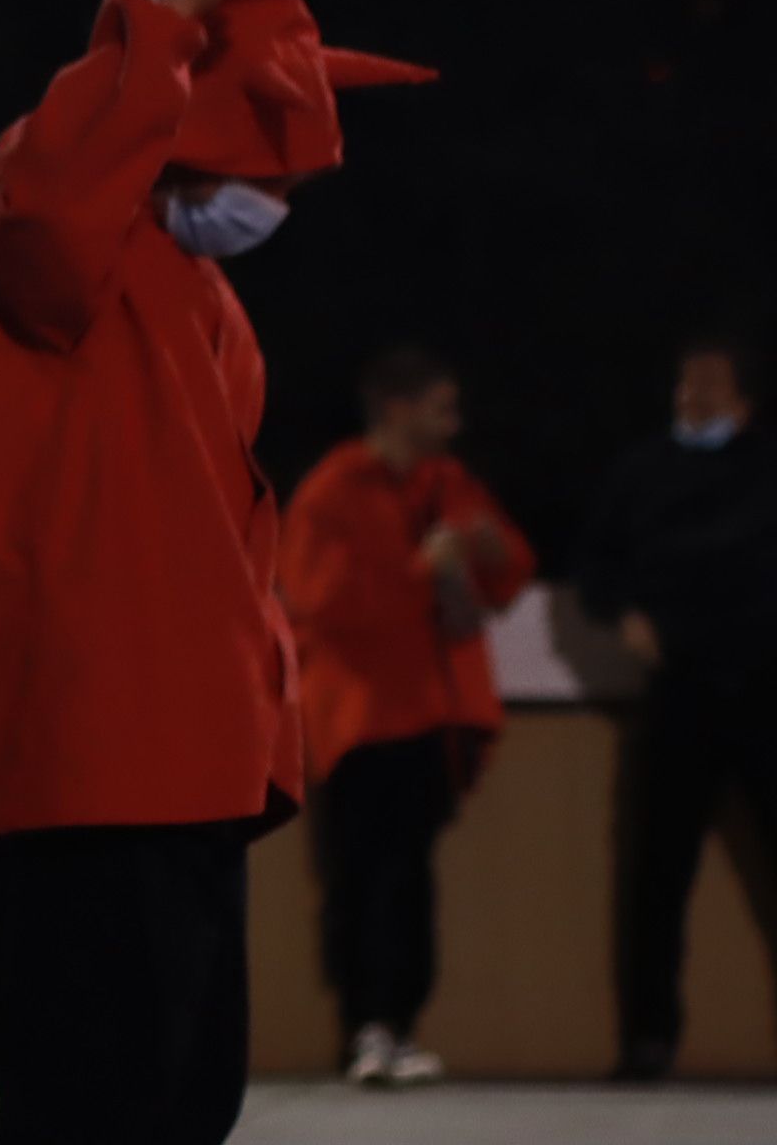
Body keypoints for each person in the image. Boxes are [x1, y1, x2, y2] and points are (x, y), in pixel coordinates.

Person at [0, 0, 431, 1145]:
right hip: (90, 750)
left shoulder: (194, 285)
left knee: (177, 1099)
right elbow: (46, 214)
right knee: (90, 1100)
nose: (266, 194)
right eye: (253, 157)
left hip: (188, 756)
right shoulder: (55, 210)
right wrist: (167, 8)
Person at [279, 344, 532, 1087]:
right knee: (359, 875)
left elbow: (507, 571)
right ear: (397, 407)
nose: (453, 422)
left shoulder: (447, 483)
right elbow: (317, 601)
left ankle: (401, 1022)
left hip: (430, 714)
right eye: (439, 406)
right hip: (357, 719)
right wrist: (423, 571)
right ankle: (365, 1024)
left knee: (410, 876)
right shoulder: (333, 490)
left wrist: (484, 547)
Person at [572, 332, 777, 1083]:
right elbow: (596, 563)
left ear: (744, 399)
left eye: (712, 388)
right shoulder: (642, 471)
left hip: (764, 690)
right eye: (686, 387)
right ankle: (649, 1039)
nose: (695, 399)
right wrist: (624, 610)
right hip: (677, 695)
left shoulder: (766, 466)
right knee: (656, 875)